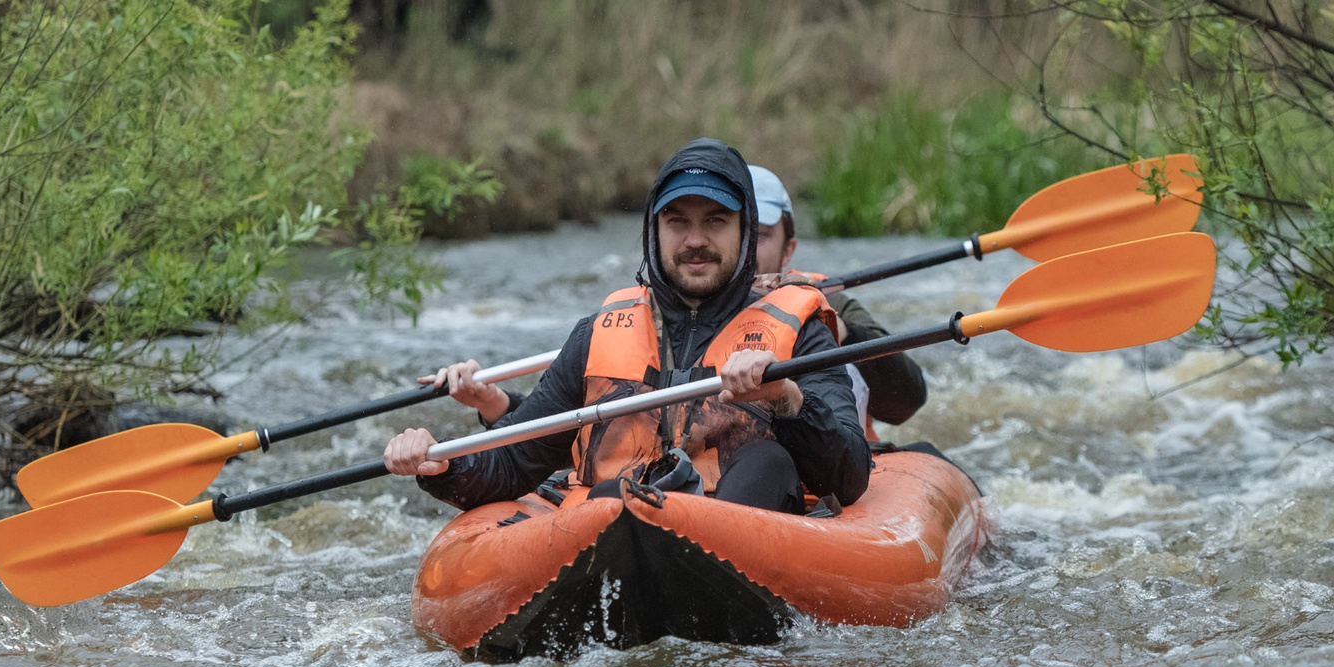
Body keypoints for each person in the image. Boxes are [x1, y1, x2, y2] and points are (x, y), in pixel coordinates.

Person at [383, 140, 873, 513]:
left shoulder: (799, 330)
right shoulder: (599, 333)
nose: (695, 240)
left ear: (744, 232)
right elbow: (513, 462)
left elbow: (849, 477)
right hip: (626, 533)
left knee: (769, 463)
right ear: (653, 232)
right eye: (677, 221)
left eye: (716, 221)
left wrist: (784, 395)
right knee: (606, 496)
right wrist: (443, 464)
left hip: (739, 541)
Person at [745, 164, 928, 431]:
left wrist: (845, 333)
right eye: (733, 231)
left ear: (788, 250)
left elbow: (905, 402)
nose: (745, 250)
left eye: (759, 236)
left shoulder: (828, 304)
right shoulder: (673, 311)